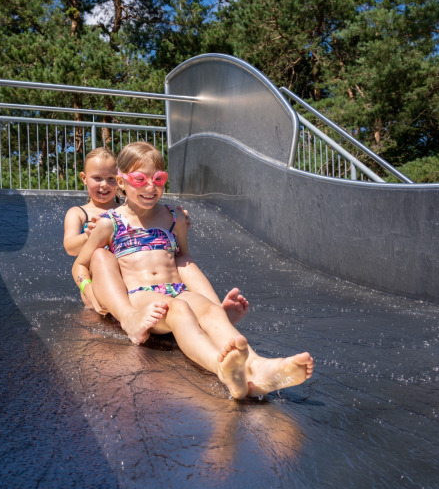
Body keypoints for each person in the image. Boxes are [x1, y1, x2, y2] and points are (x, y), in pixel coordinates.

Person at [72, 142, 314, 399]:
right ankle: (222, 369)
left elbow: (183, 257)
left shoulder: (173, 217)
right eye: (139, 179)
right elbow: (81, 264)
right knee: (179, 310)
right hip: (140, 296)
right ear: (121, 182)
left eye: (158, 178)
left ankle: (259, 368)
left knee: (209, 310)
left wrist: (210, 302)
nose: (150, 187)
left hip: (175, 289)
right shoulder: (110, 223)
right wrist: (91, 293)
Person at [63, 147, 249, 344]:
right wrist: (91, 235)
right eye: (97, 178)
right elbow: (71, 248)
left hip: (131, 273)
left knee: (183, 263)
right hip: (101, 277)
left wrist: (170, 218)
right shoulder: (84, 214)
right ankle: (127, 315)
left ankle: (215, 312)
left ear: (118, 182)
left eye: (110, 178)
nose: (105, 185)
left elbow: (150, 226)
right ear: (84, 178)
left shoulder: (131, 207)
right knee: (101, 257)